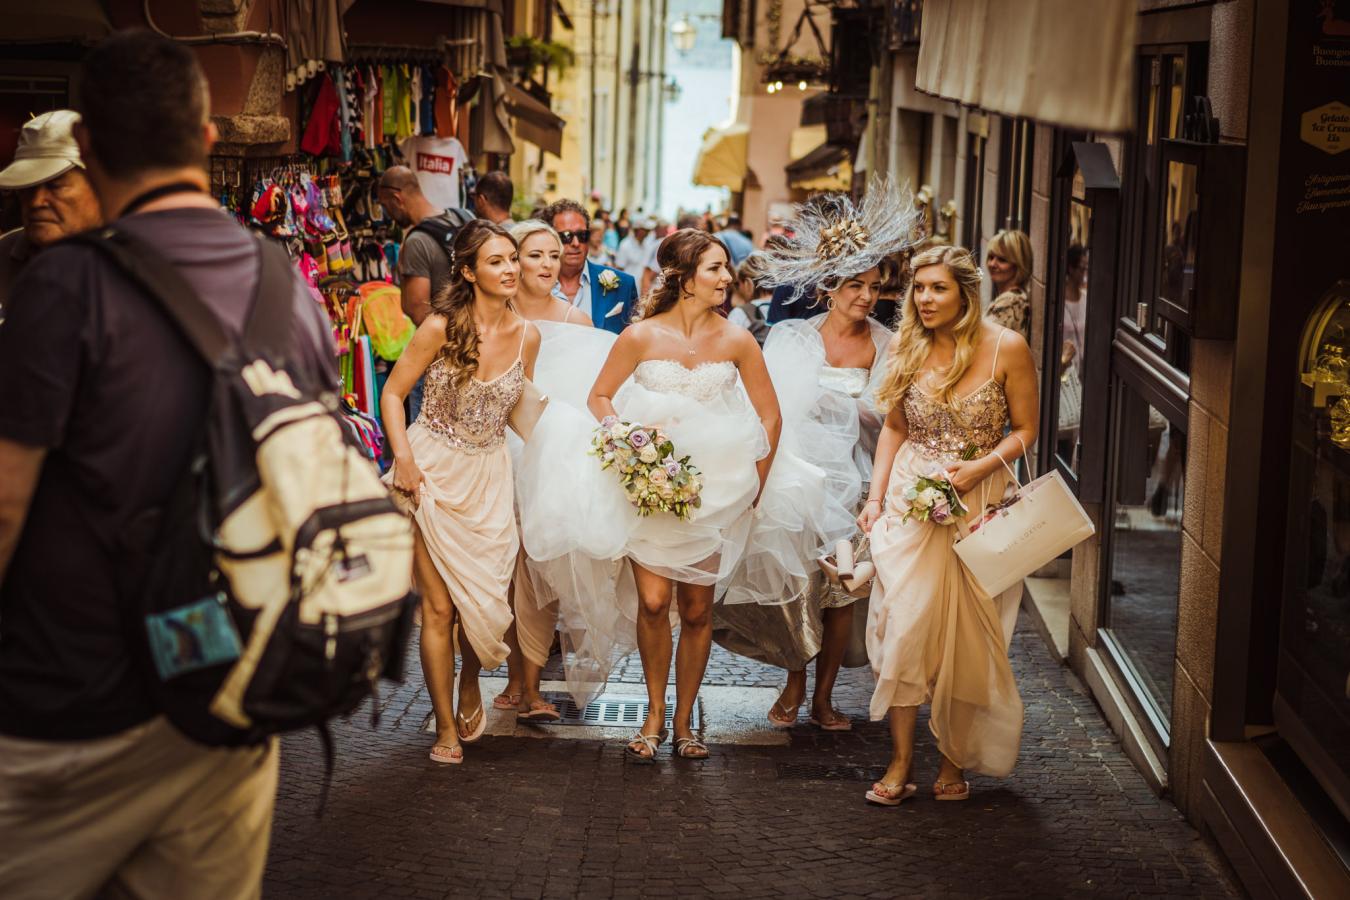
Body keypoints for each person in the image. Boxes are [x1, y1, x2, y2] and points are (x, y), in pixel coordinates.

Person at [0, 30, 336, 897]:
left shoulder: (64, 284)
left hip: (69, 707)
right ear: (210, 139)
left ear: (93, 151)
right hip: (226, 693)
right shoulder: (286, 287)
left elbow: (6, 502)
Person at [517, 229, 787, 761]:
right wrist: (628, 440)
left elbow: (770, 414)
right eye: (715, 269)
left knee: (694, 609)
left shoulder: (738, 340)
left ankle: (685, 723)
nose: (727, 278)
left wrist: (755, 480)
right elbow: (598, 396)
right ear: (685, 278)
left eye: (726, 269)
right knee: (653, 601)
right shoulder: (640, 337)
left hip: (717, 492)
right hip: (649, 486)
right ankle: (654, 712)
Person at [717, 183, 917, 732]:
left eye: (875, 287)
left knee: (841, 595)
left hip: (857, 485)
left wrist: (845, 406)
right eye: (857, 286)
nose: (867, 297)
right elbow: (768, 413)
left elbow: (891, 417)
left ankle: (825, 697)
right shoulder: (791, 338)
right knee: (798, 589)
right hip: (798, 484)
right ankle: (795, 680)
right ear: (830, 287)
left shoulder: (889, 344)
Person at [858, 244, 1038, 807]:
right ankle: (902, 759)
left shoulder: (1008, 347)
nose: (925, 299)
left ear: (965, 291)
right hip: (913, 501)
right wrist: (876, 495)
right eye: (918, 288)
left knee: (965, 637)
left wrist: (979, 468)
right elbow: (892, 427)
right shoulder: (906, 347)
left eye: (937, 288)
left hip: (980, 503)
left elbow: (1026, 430)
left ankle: (953, 758)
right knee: (905, 628)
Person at [380, 220, 542, 765]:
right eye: (497, 261)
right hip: (430, 473)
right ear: (469, 272)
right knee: (440, 609)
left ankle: (471, 679)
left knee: (484, 605)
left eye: (513, 258)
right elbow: (393, 393)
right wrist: (403, 458)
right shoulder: (440, 326)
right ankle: (445, 727)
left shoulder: (528, 336)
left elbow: (519, 412)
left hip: (491, 478)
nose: (511, 269)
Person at [491, 220, 614, 721]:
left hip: (558, 461)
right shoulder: (497, 316)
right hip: (500, 453)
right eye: (534, 255)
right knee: (506, 572)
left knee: (542, 571)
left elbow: (593, 397)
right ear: (512, 260)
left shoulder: (577, 320)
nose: (546, 264)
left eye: (552, 254)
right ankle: (512, 676)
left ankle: (533, 686)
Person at [379, 165, 470, 421]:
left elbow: (417, 309)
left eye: (386, 206)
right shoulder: (463, 217)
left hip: (439, 358)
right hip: (476, 347)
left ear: (397, 198)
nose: (388, 215)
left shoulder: (417, 241)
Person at [0, 109, 102, 312]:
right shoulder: (3, 255)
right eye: (27, 188)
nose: (37, 202)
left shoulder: (134, 261)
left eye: (55, 186)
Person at [542, 198, 638, 333]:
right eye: (566, 236)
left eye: (582, 235)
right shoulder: (532, 286)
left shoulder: (624, 285)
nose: (575, 243)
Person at [985, 229, 1033, 340]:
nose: (992, 264)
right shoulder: (1015, 298)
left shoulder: (1010, 302)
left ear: (1019, 264)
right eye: (991, 257)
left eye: (1002, 260)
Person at [614, 216, 654, 281]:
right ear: (637, 230)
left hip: (640, 286)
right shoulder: (625, 244)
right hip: (627, 284)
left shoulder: (647, 245)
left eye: (648, 230)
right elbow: (619, 268)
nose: (647, 232)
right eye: (645, 230)